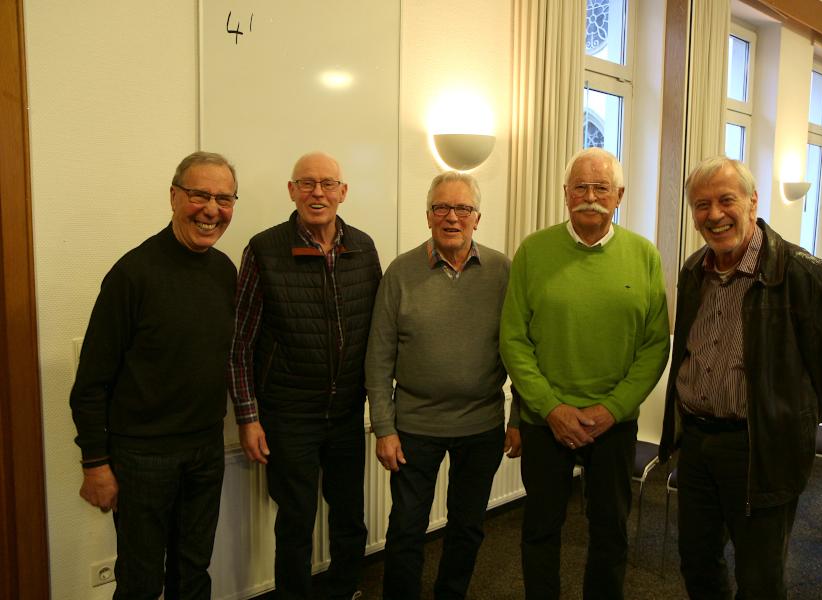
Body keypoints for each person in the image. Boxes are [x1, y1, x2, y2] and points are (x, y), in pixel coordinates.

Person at [659, 156, 822, 599]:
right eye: (701, 205)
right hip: (696, 444)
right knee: (697, 563)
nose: (714, 215)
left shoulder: (801, 274)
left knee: (760, 578)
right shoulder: (695, 271)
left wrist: (789, 416)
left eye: (725, 200)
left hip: (761, 449)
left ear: (752, 202)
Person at [500, 147, 670, 599]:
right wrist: (551, 408)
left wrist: (612, 409)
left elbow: (655, 345)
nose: (590, 196)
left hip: (613, 423)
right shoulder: (534, 252)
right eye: (581, 187)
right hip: (544, 421)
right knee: (540, 528)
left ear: (619, 196)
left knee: (611, 530)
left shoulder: (644, 255)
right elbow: (514, 340)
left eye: (601, 188)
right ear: (565, 194)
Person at [70, 151, 239, 599]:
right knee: (141, 582)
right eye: (199, 194)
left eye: (224, 198)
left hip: (205, 450)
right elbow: (90, 383)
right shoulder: (133, 274)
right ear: (173, 196)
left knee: (193, 572)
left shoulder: (225, 272)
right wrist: (95, 464)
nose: (211, 209)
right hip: (143, 458)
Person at [228, 152, 381, 599]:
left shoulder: (363, 246)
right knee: (294, 520)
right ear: (292, 190)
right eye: (307, 183)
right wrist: (247, 416)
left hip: (347, 412)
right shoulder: (264, 249)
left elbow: (379, 330)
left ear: (343, 192)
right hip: (289, 413)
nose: (318, 193)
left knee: (350, 516)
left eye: (328, 184)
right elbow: (240, 342)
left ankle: (345, 590)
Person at [365, 171, 521, 600]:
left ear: (477, 217)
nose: (452, 217)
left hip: (481, 424)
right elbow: (378, 356)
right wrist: (384, 427)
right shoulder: (400, 272)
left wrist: (518, 415)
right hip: (414, 426)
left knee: (468, 526)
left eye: (463, 209)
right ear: (428, 216)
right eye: (442, 208)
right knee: (406, 528)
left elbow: (521, 350)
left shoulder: (502, 271)